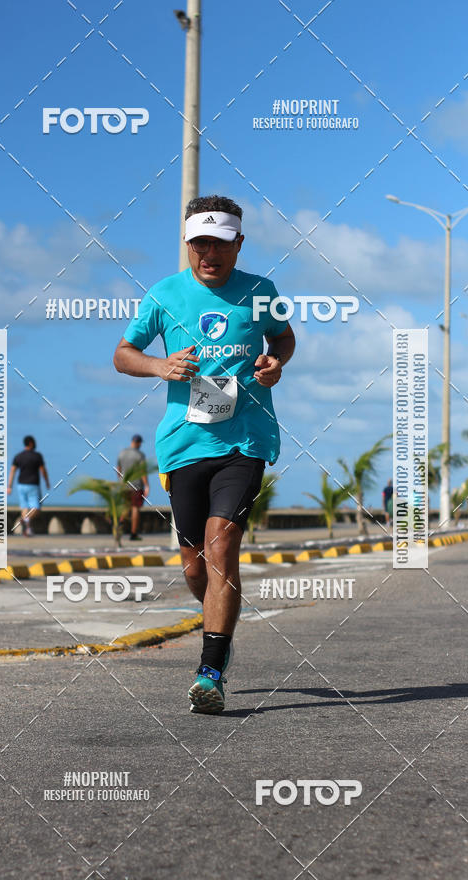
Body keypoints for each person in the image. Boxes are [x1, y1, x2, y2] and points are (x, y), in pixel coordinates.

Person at [113, 195, 295, 713]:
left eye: (219, 243)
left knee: (222, 546)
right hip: (184, 442)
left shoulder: (263, 292)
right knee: (195, 566)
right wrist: (159, 366)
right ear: (188, 245)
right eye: (199, 244)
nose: (208, 254)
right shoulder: (165, 294)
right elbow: (122, 355)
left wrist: (274, 364)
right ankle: (222, 619)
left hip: (246, 439)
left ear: (239, 244)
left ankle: (210, 672)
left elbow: (285, 338)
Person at [7, 435, 50, 536]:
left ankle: (28, 529)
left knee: (24, 507)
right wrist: (47, 481)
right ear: (31, 443)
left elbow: (12, 471)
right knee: (36, 508)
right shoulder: (37, 456)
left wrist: (9, 486)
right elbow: (43, 470)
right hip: (32, 485)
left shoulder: (18, 456)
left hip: (21, 485)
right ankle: (26, 520)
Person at [116, 434, 150, 541]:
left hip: (124, 485)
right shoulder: (140, 455)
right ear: (139, 443)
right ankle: (133, 534)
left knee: (125, 507)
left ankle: (120, 523)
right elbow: (142, 471)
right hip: (136, 485)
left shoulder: (122, 453)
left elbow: (118, 469)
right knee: (135, 508)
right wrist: (147, 486)